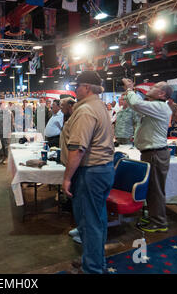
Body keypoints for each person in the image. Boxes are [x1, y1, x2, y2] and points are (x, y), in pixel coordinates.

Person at [60, 71, 115, 274]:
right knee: (97, 220)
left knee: (88, 223)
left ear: (87, 88)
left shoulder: (85, 111)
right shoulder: (98, 106)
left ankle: (92, 268)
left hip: (90, 171)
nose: (75, 89)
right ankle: (95, 261)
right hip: (101, 170)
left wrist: (67, 178)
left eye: (78, 86)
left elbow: (78, 148)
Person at [122, 78, 173, 233]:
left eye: (155, 86)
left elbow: (136, 104)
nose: (150, 87)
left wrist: (130, 89)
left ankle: (158, 222)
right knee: (151, 188)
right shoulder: (156, 106)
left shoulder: (160, 106)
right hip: (152, 153)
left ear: (162, 93)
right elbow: (135, 104)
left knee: (155, 189)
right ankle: (154, 217)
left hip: (155, 153)